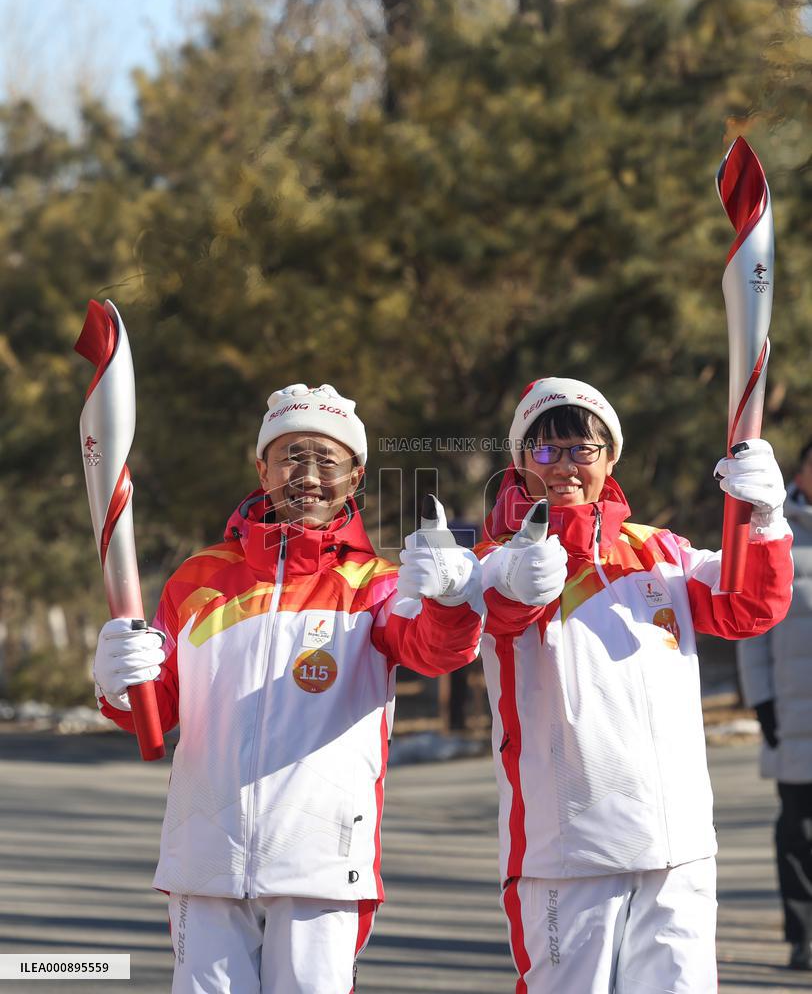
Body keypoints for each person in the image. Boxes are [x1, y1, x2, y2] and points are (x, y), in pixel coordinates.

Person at [92, 383, 484, 994]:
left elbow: (436, 650)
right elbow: (155, 709)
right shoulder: (199, 579)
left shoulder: (375, 585)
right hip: (206, 860)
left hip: (322, 863)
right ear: (262, 467)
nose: (308, 475)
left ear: (354, 476)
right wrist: (119, 684)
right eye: (291, 456)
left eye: (327, 460)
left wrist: (455, 601)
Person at [474, 376, 793, 994]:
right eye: (546, 450)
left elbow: (749, 606)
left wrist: (764, 520)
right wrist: (533, 562)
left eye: (581, 449)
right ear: (520, 461)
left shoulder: (662, 552)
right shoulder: (499, 560)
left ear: (610, 456)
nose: (565, 465)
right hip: (566, 855)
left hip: (679, 848)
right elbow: (497, 611)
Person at [737, 437, 812, 970]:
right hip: (795, 713)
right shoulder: (778, 534)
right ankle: (803, 935)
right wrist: (761, 701)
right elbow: (754, 626)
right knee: (799, 831)